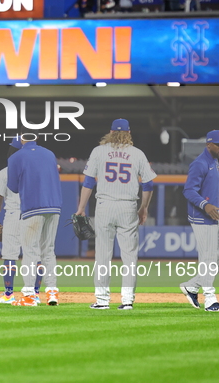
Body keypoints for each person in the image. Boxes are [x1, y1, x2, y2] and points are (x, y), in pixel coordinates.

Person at [75, 119, 156, 310]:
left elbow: (88, 182)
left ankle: (102, 300)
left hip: (105, 205)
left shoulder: (99, 151)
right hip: (128, 206)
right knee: (129, 256)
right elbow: (149, 184)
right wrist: (144, 207)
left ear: (110, 132)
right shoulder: (137, 154)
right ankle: (127, 300)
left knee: (102, 255)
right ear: (129, 133)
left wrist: (81, 208)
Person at [7, 135, 63, 307]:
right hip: (54, 206)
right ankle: (52, 292)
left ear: (22, 138)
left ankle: (29, 295)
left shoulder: (16, 157)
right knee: (49, 250)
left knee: (30, 251)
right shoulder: (49, 154)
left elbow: (13, 187)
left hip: (33, 207)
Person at [180, 130, 219, 312]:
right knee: (208, 258)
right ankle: (210, 299)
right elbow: (188, 190)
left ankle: (192, 286)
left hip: (218, 215)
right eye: (218, 144)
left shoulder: (218, 161)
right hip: (202, 217)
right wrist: (205, 205)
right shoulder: (200, 163)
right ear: (208, 144)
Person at [0, 137, 47, 304]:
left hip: (14, 216)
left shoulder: (5, 172)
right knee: (34, 254)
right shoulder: (37, 170)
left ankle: (8, 294)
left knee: (10, 255)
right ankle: (35, 294)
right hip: (34, 214)